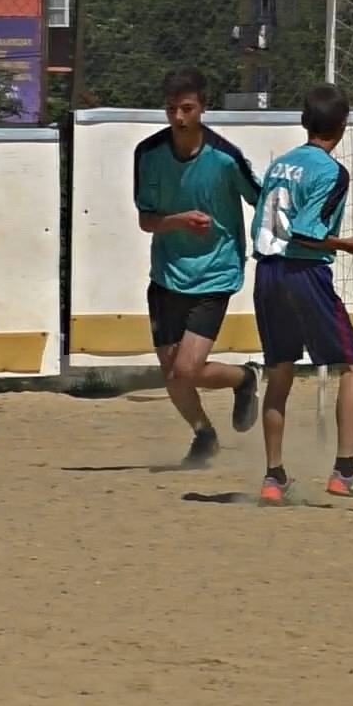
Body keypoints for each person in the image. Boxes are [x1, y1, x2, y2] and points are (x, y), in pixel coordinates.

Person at [248, 84, 353, 506]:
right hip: (303, 274)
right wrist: (348, 243)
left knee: (280, 373)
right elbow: (308, 233)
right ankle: (345, 470)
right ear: (343, 125)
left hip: (267, 273)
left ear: (303, 122)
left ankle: (274, 479)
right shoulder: (331, 171)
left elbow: (267, 222)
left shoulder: (281, 164)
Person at [133, 66, 263, 468]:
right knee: (172, 373)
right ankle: (204, 434)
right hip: (167, 274)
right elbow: (147, 220)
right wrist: (179, 221)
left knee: (187, 368)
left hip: (215, 273)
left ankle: (245, 378)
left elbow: (262, 199)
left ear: (203, 108)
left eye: (187, 108)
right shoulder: (148, 154)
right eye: (172, 109)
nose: (178, 117)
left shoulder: (225, 158)